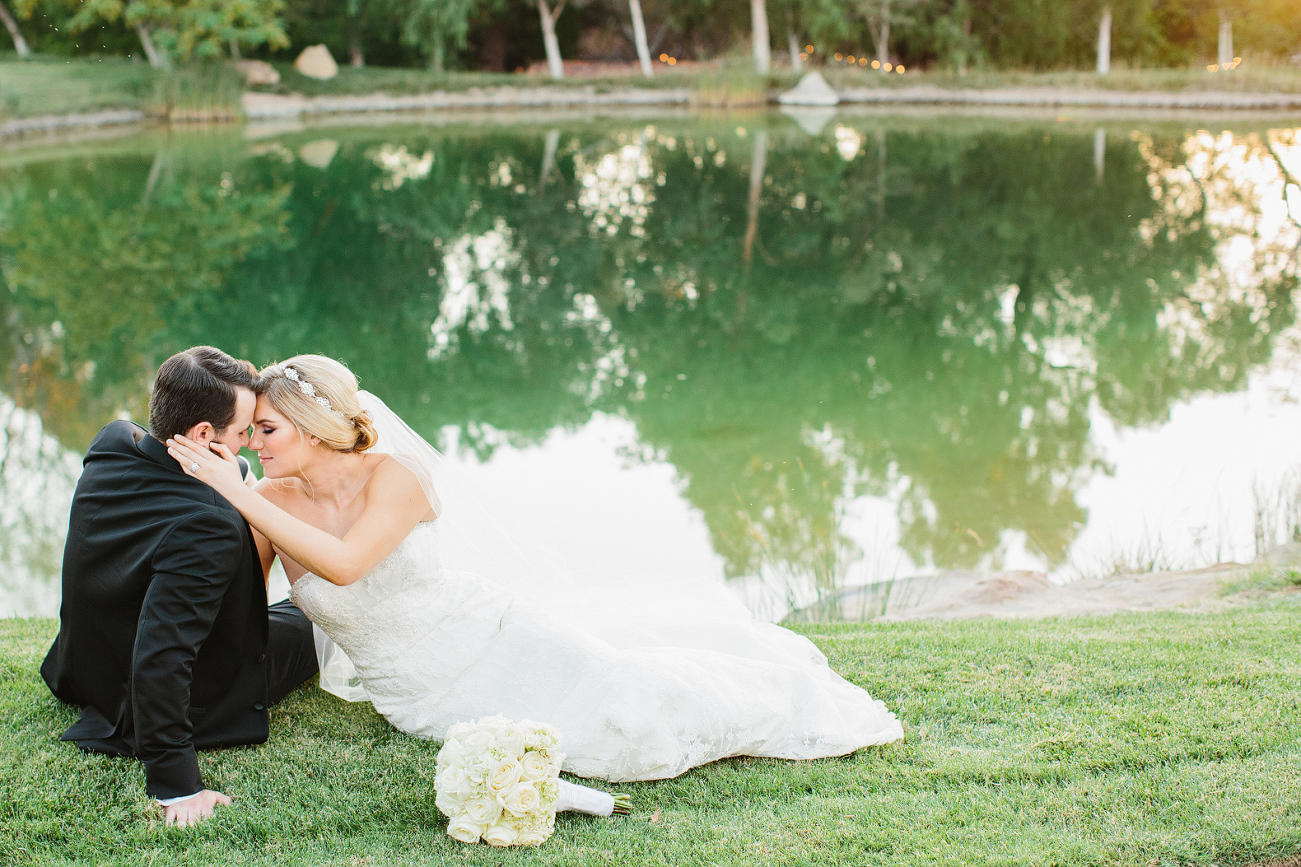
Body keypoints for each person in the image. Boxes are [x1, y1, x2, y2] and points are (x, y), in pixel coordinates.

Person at [166, 354, 903, 782]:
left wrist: (238, 493)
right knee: (589, 731)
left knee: (629, 710)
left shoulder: (393, 477)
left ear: (316, 427)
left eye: (265, 428)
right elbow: (237, 606)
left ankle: (776, 695)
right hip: (412, 693)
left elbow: (350, 565)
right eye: (249, 432)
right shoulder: (263, 499)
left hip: (489, 632)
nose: (252, 443)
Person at [41, 346, 319, 827]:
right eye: (241, 432)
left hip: (87, 668)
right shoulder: (205, 524)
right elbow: (163, 655)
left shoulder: (113, 445)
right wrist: (176, 787)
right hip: (181, 687)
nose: (250, 442)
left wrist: (230, 477)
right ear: (203, 435)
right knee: (318, 620)